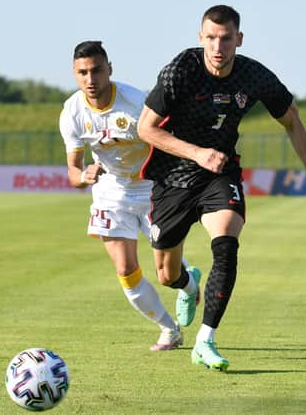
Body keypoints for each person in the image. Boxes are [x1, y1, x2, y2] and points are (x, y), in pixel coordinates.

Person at [137, 5, 306, 371]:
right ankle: (188, 284)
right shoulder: (180, 70)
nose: (218, 46)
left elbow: (292, 120)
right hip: (175, 177)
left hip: (220, 174)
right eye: (211, 38)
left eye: (226, 38)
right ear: (200, 38)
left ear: (238, 40)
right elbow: (146, 128)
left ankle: (205, 340)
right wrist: (196, 153)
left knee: (227, 246)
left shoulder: (253, 76)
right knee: (166, 273)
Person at [59, 41, 201, 351]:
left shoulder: (136, 102)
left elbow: (169, 140)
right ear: (74, 74)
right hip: (111, 192)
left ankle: (190, 285)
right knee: (125, 269)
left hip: (153, 188)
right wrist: (83, 176)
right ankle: (168, 328)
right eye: (82, 73)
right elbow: (73, 172)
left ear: (109, 69)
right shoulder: (71, 112)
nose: (90, 79)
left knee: (167, 269)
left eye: (96, 70)